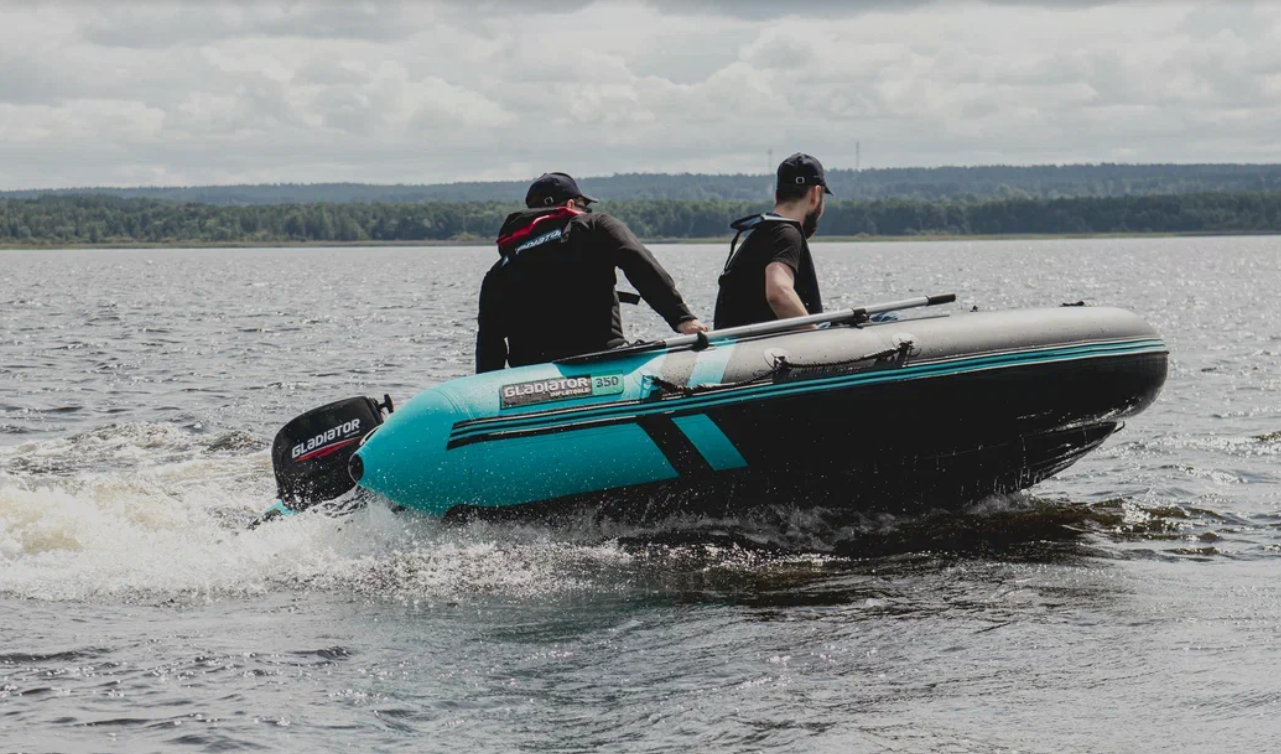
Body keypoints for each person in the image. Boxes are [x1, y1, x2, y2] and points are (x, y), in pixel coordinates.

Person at [476, 172, 706, 372]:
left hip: (534, 376)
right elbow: (639, 262)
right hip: (602, 363)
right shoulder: (595, 225)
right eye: (584, 206)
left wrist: (484, 388)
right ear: (570, 204)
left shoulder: (501, 268)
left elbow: (490, 340)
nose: (586, 211)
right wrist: (682, 318)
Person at [712, 153, 830, 329]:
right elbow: (778, 293)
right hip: (761, 343)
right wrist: (816, 337)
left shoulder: (762, 234)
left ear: (776, 196)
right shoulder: (788, 234)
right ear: (815, 194)